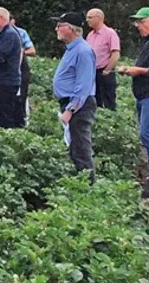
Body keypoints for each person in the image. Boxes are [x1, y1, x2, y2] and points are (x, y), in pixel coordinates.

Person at [116, 7, 149, 198]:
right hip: (147, 95)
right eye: (137, 22)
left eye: (142, 21)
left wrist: (140, 71)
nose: (138, 25)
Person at [51, 12, 97, 185]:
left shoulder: (83, 51)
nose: (56, 29)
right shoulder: (72, 49)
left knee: (80, 148)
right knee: (74, 146)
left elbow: (83, 85)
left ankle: (88, 187)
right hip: (70, 103)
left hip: (79, 105)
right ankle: (80, 183)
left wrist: (70, 109)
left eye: (60, 25)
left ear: (70, 28)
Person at [85, 8, 121, 110]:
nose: (87, 20)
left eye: (90, 17)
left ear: (99, 18)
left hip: (105, 72)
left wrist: (107, 70)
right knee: (95, 99)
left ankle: (110, 117)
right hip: (92, 72)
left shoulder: (110, 33)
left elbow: (115, 54)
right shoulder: (90, 35)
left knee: (108, 99)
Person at [12, 18, 36, 125]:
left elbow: (32, 51)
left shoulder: (21, 32)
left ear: (13, 21)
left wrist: (18, 52)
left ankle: (23, 121)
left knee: (21, 96)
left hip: (21, 68)